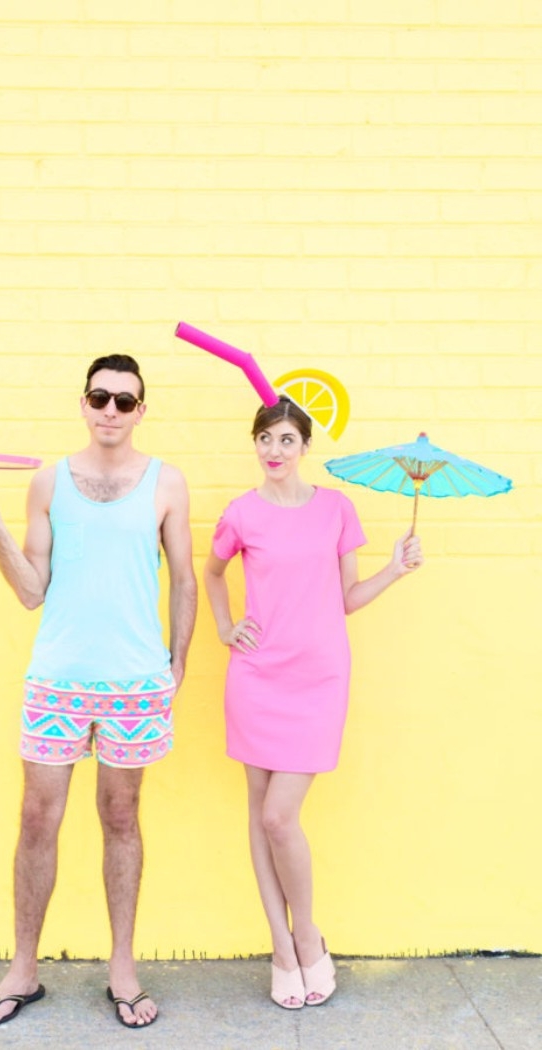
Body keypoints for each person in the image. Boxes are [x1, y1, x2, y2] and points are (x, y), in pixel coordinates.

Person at [0, 354, 197, 1029]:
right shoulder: (49, 481)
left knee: (120, 817)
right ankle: (24, 970)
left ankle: (122, 970)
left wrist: (178, 663)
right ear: (83, 404)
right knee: (36, 820)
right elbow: (29, 590)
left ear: (142, 411)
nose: (111, 410)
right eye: (100, 397)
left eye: (125, 401)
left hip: (135, 684)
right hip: (58, 680)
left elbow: (187, 580)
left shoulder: (167, 483)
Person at [203, 397, 423, 1011]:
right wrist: (225, 627)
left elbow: (348, 598)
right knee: (258, 811)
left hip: (318, 679)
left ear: (305, 448)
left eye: (286, 440)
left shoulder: (336, 509)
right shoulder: (241, 514)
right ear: (256, 445)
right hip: (256, 675)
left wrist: (395, 570)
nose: (275, 451)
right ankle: (282, 948)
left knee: (279, 817)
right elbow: (214, 573)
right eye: (265, 439)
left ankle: (309, 936)